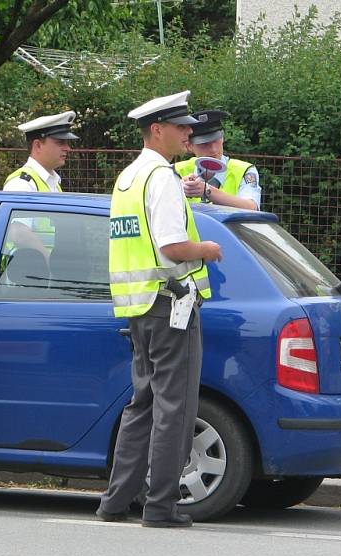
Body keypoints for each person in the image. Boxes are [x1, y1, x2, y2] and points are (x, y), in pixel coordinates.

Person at [97, 91, 222, 528]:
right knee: (176, 407)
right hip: (170, 303)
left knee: (143, 404)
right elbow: (172, 246)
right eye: (182, 126)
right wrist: (206, 248)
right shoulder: (162, 179)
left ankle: (115, 502)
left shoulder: (127, 178)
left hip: (137, 308)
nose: (190, 132)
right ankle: (161, 506)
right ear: (157, 130)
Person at [2, 111, 80, 261]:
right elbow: (18, 232)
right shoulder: (22, 183)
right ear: (37, 145)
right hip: (23, 275)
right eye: (60, 142)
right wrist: (47, 261)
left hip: (39, 275)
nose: (67, 148)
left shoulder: (52, 182)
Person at [175, 110, 261, 210]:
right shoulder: (177, 171)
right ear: (189, 146)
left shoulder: (244, 170)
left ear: (222, 138)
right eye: (204, 144)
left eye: (216, 140)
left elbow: (252, 207)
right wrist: (177, 190)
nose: (213, 149)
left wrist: (207, 191)